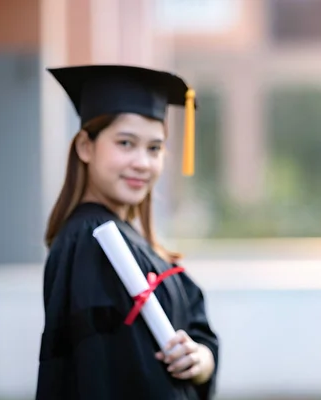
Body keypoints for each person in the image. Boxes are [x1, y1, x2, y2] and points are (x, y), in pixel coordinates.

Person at [36, 65, 219, 399]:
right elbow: (104, 374)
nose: (143, 163)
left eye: (154, 148)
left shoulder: (126, 238)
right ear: (85, 147)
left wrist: (200, 359)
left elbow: (195, 330)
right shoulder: (91, 241)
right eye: (125, 143)